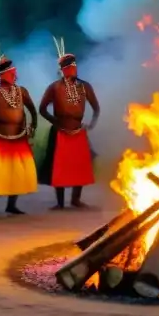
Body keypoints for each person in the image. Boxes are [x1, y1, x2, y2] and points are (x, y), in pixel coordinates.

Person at [0, 43, 39, 218]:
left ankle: (12, 205)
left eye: (14, 72)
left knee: (17, 172)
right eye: (11, 73)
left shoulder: (21, 91)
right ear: (2, 74)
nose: (15, 75)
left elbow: (32, 110)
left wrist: (32, 126)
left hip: (18, 138)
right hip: (0, 138)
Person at [38, 37, 100, 209]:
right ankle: (60, 202)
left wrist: (91, 124)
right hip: (61, 132)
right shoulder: (54, 88)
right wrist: (55, 122)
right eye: (69, 67)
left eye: (74, 66)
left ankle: (75, 199)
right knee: (60, 167)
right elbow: (42, 109)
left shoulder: (84, 87)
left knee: (79, 166)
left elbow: (96, 107)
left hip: (79, 131)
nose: (73, 69)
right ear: (62, 70)